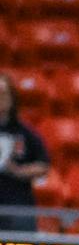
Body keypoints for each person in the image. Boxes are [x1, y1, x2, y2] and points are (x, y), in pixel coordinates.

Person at [0, 72, 51, 233]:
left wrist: (18, 171)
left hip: (17, 206)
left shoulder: (25, 132)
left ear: (12, 98)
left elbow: (44, 165)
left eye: (4, 94)